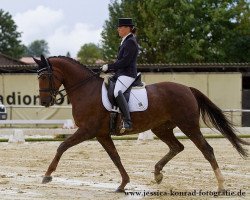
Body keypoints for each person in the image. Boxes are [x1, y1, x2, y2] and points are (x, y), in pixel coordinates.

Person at [101, 18, 139, 133]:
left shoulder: (131, 41)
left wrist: (109, 66)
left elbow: (125, 62)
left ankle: (128, 121)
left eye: (120, 27)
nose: (118, 29)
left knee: (117, 91)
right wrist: (108, 69)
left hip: (128, 74)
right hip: (121, 73)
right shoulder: (125, 41)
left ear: (128, 28)